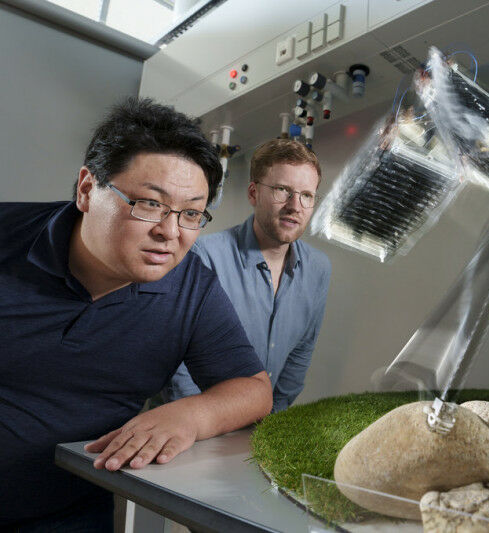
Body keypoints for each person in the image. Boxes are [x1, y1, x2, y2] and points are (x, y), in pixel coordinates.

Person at [0, 97, 272, 531]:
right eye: (149, 203)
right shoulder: (8, 236)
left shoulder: (191, 287)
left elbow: (253, 389)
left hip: (68, 513)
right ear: (87, 190)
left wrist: (191, 416)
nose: (169, 232)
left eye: (191, 213)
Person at [165, 139, 330, 412]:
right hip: (194, 426)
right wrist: (201, 424)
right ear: (253, 193)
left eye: (306, 195)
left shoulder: (318, 269)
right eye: (282, 190)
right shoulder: (203, 256)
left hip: (261, 429)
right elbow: (178, 363)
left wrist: (268, 421)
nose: (295, 206)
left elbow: (301, 353)